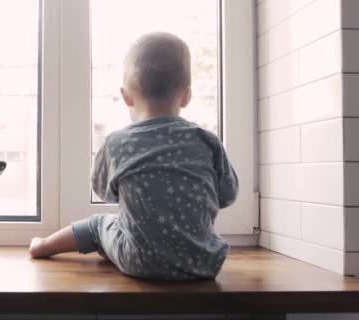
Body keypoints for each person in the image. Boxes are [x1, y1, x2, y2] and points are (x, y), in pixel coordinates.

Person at [28, 32, 238, 280]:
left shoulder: (118, 143)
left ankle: (42, 246)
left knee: (99, 224)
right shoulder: (206, 140)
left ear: (126, 96)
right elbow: (227, 195)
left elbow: (104, 192)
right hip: (204, 262)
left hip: (139, 262)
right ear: (187, 95)